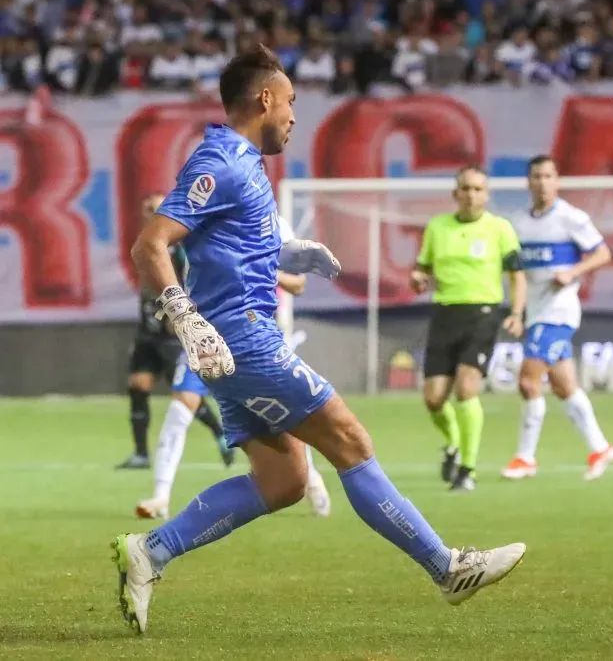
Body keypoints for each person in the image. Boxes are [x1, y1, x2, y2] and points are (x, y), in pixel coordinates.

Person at [111, 44, 526, 635]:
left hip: (233, 343)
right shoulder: (221, 160)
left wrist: (287, 252)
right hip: (242, 339)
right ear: (265, 99)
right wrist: (186, 317)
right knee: (350, 440)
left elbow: (229, 245)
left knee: (284, 480)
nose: (293, 117)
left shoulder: (246, 164)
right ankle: (447, 568)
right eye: (290, 103)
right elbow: (150, 244)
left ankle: (151, 551)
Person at [134, 270, 333, 521]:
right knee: (179, 410)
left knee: (279, 416)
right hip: (203, 337)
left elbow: (298, 284)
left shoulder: (263, 246)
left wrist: (260, 268)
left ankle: (311, 478)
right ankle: (161, 497)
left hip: (251, 339)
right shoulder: (193, 247)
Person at [500, 156, 613, 482]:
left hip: (559, 312)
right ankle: (600, 448)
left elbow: (603, 253)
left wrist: (573, 272)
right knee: (564, 386)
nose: (542, 182)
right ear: (528, 182)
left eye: (548, 176)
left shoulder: (571, 217)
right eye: (537, 176)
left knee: (528, 381)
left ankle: (525, 458)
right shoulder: (517, 223)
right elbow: (517, 272)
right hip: (535, 312)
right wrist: (518, 311)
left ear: (557, 180)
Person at [410, 165, 527, 492]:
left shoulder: (499, 228)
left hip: (483, 313)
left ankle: (467, 469)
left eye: (478, 189)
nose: (471, 195)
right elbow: (422, 268)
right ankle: (454, 443)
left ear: (486, 195)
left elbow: (517, 275)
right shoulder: (438, 227)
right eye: (466, 189)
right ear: (455, 193)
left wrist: (517, 312)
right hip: (445, 313)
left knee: (466, 388)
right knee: (434, 399)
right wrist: (418, 279)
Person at [118, 192, 229, 470]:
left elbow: (189, 281)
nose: (149, 212)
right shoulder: (145, 242)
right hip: (148, 330)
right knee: (138, 385)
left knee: (184, 396)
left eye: (156, 208)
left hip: (171, 332)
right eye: (148, 208)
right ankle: (141, 453)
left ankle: (220, 432)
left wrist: (181, 316)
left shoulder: (178, 246)